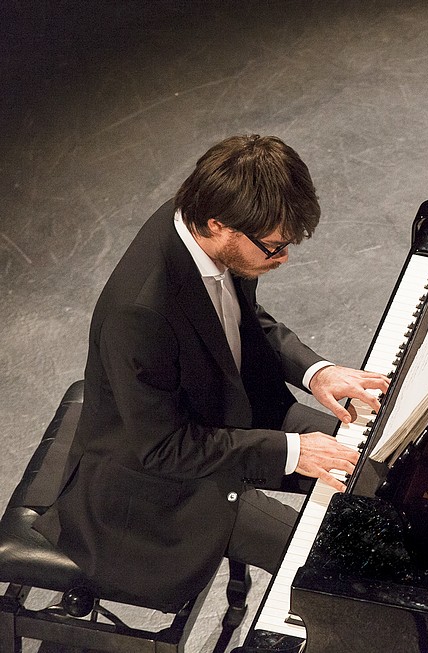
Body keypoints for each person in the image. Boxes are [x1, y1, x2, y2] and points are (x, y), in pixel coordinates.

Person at [33, 134, 389, 611]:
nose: (283, 259)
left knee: (377, 469)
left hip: (220, 416)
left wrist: (315, 372)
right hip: (154, 492)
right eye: (275, 247)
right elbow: (164, 449)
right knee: (333, 571)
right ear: (219, 225)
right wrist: (291, 451)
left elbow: (241, 318)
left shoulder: (201, 220)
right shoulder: (140, 314)